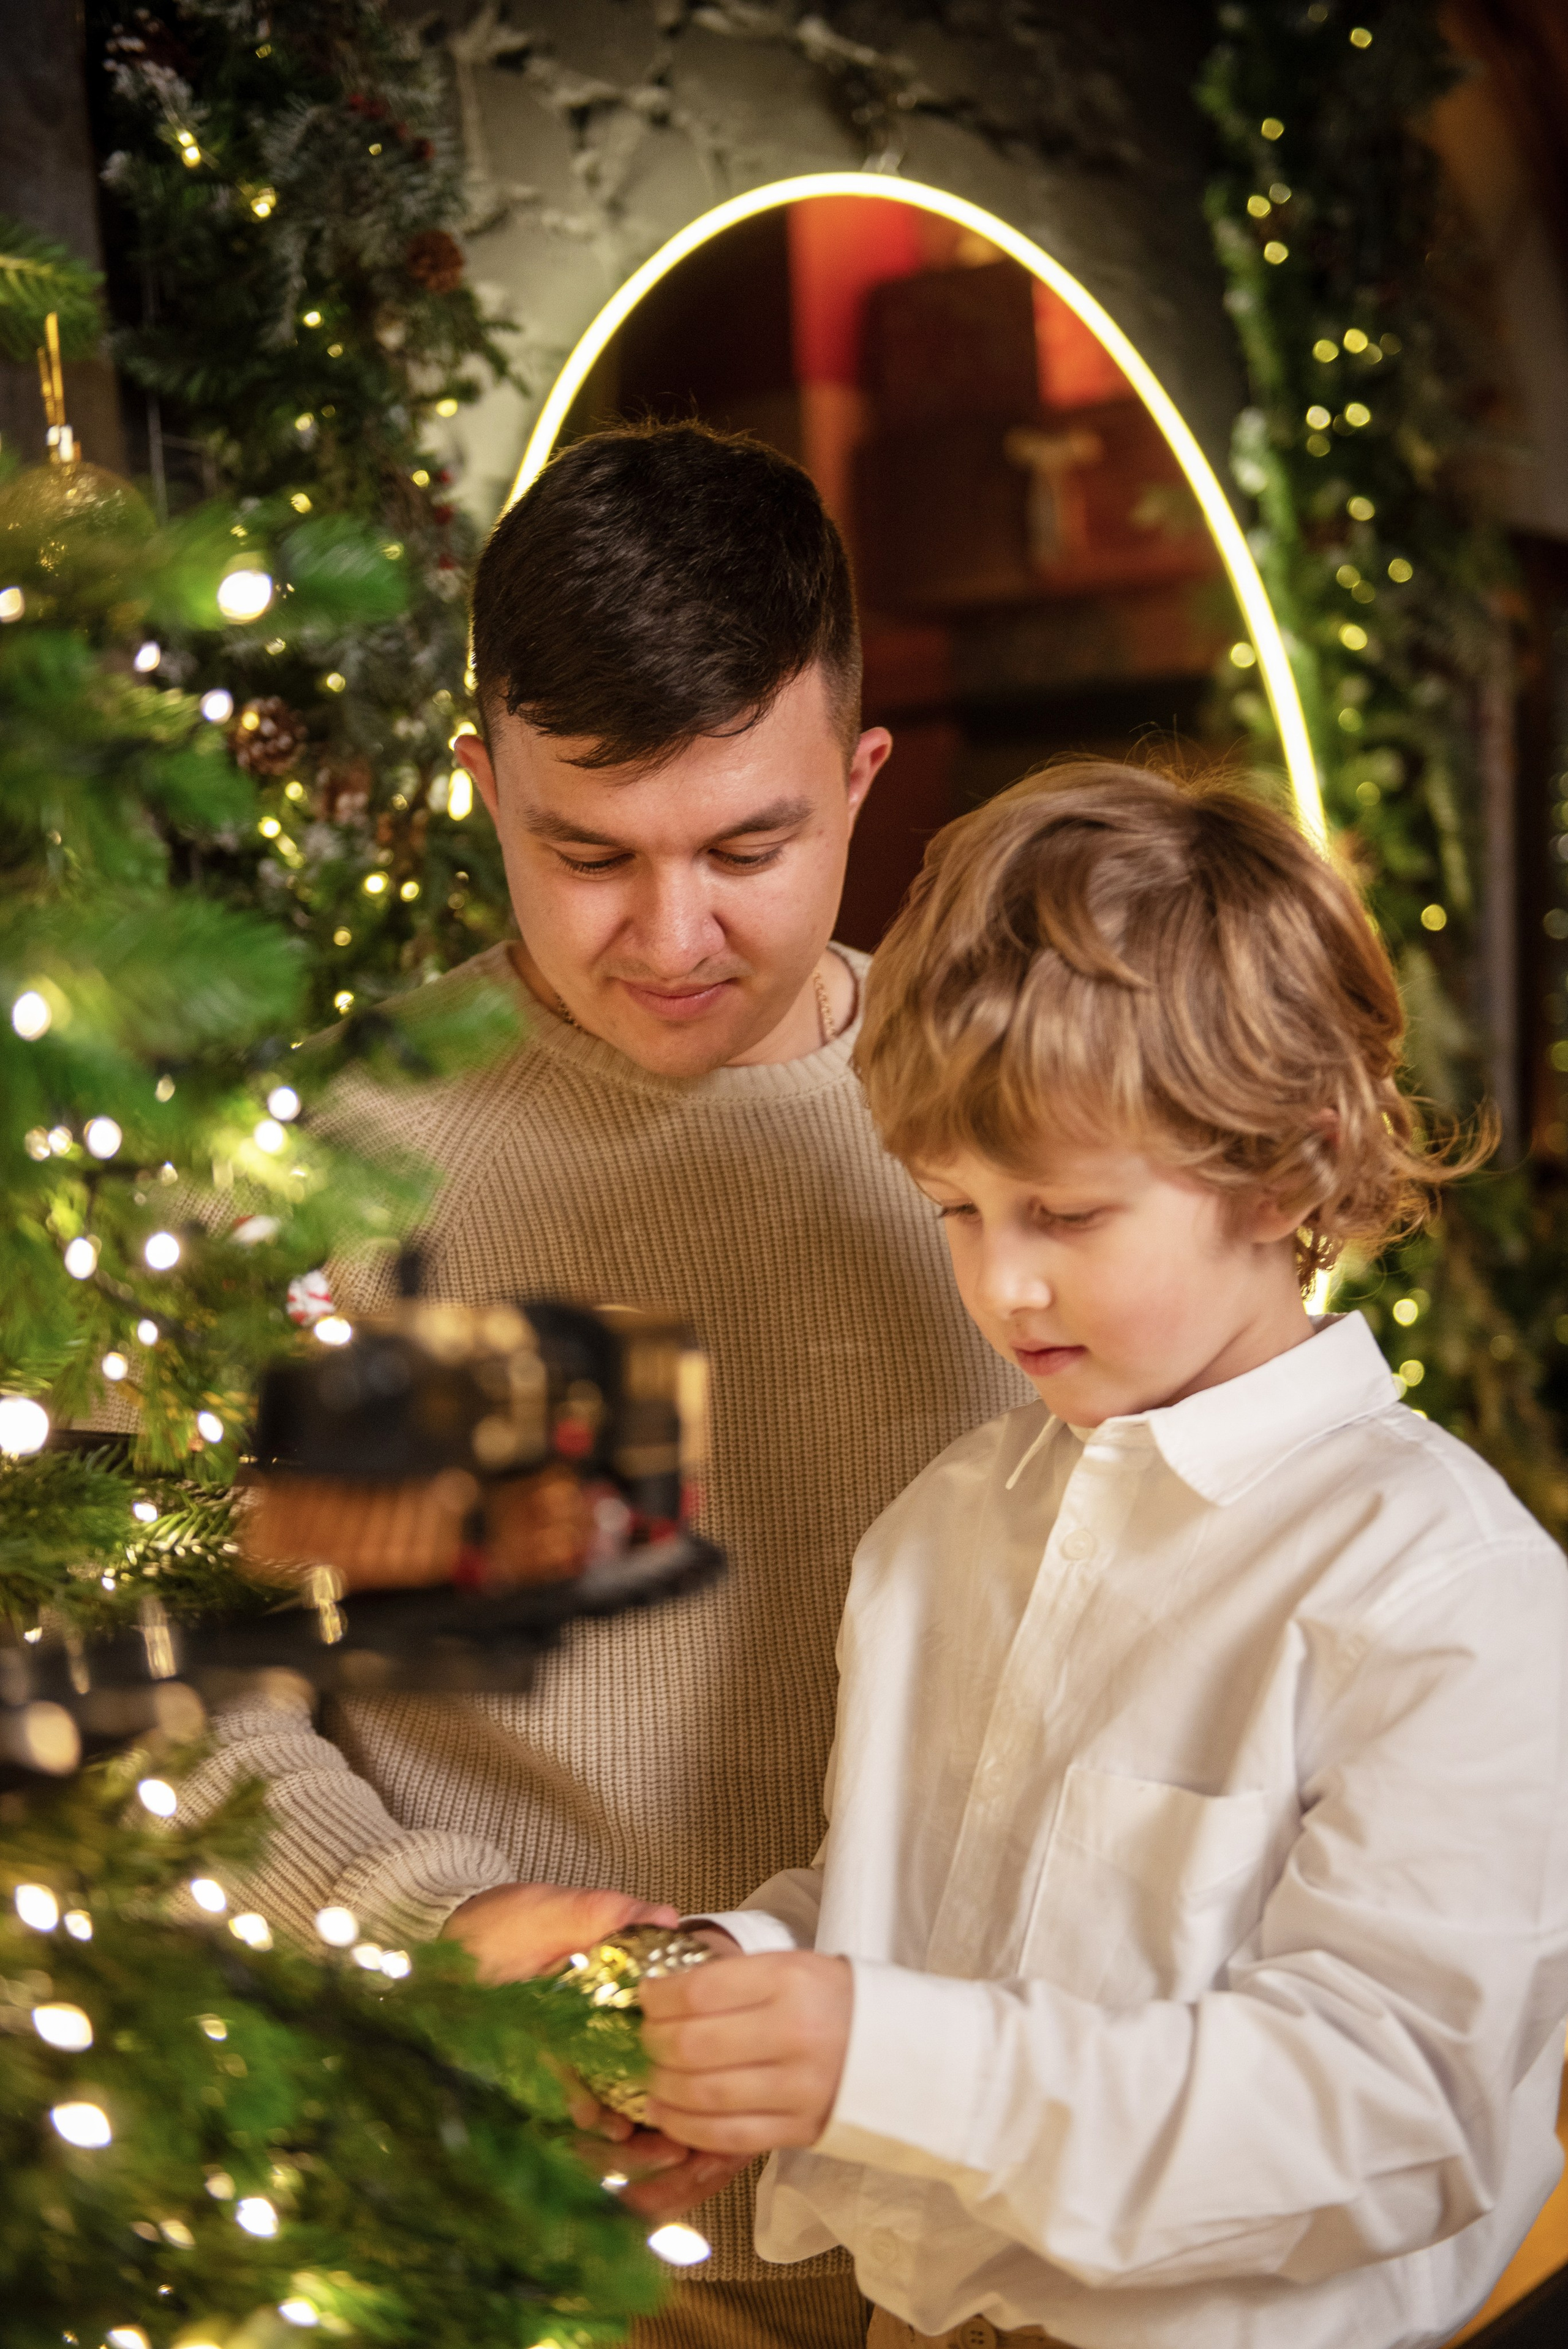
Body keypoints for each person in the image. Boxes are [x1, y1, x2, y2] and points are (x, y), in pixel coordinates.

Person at [188, 420, 1029, 2349]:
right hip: (505, 2234)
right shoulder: (335, 1166)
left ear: (861, 781)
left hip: (980, 2241)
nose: (671, 937)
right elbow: (186, 1684)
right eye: (589, 852)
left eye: (751, 847)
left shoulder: (1027, 1153)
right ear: (480, 787)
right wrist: (436, 1934)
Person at [631, 762, 1568, 2349]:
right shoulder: (943, 1529)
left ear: (1286, 1166)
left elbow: (1378, 2116)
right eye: (954, 1207)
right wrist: (751, 1979)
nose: (1004, 1288)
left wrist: (882, 2056)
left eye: (1064, 1215)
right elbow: (920, 1913)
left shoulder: (1451, 1593)